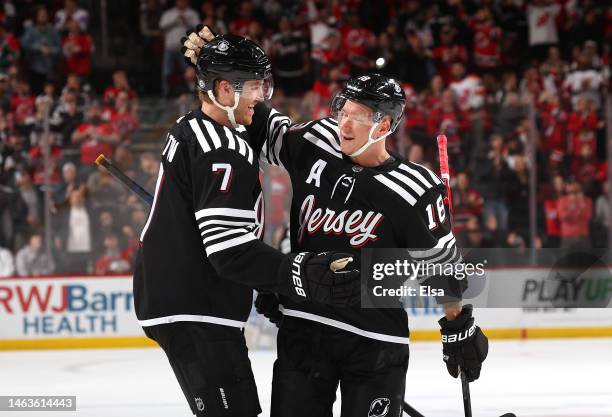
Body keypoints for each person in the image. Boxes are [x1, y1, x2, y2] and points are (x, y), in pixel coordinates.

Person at [185, 28, 488, 417]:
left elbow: (440, 269)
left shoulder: (415, 188)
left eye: (358, 118)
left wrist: (457, 326)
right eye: (342, 112)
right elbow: (259, 123)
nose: (343, 125)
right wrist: (219, 70)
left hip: (374, 338)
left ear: (383, 127)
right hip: (305, 329)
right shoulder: (318, 141)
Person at [135, 33, 360, 417]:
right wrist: (297, 274)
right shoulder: (225, 150)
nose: (261, 95)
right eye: (254, 85)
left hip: (183, 299)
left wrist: (267, 285)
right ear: (225, 89)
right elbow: (229, 252)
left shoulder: (192, 125)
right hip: (197, 306)